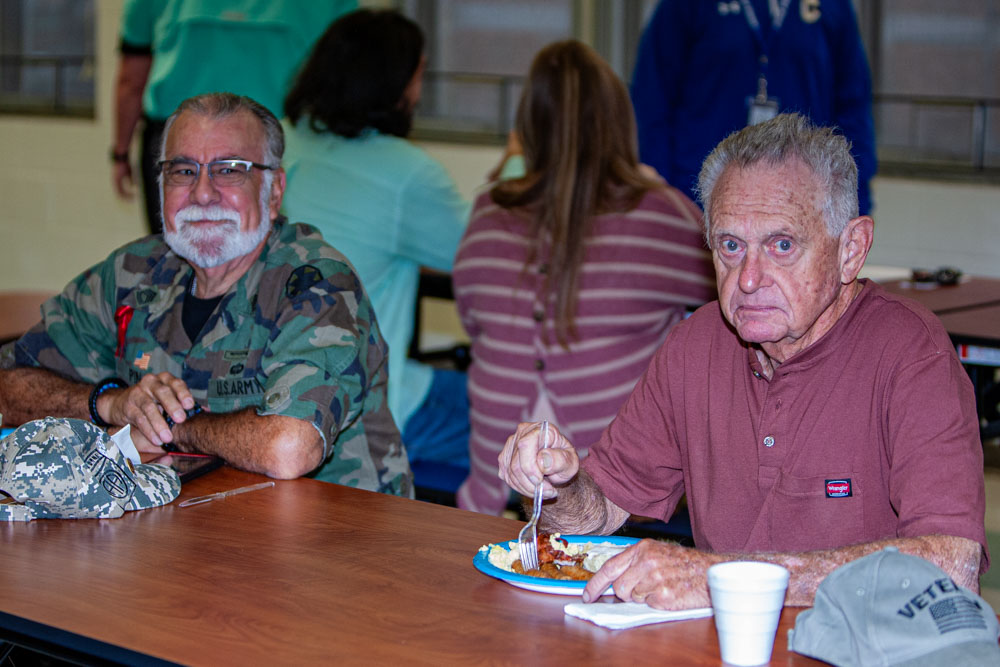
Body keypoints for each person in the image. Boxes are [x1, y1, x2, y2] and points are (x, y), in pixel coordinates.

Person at [498, 113, 986, 609]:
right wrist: (557, 484)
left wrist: (721, 578)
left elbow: (951, 565)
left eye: (782, 245)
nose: (748, 279)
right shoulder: (696, 346)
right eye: (730, 246)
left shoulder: (911, 353)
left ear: (851, 250)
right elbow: (594, 517)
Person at [1, 93, 411, 496]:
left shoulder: (314, 283)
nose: (201, 193)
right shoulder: (133, 272)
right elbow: (9, 386)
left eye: (229, 170)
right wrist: (109, 404)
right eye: (183, 171)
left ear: (273, 191)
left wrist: (168, 426)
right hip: (187, 524)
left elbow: (289, 448)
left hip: (337, 530)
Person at [455, 41, 716, 516]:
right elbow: (735, 295)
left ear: (528, 126)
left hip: (493, 482)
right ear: (619, 122)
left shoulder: (489, 210)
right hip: (610, 493)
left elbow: (472, 322)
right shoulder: (659, 214)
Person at [281, 9, 472, 471]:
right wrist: (516, 163)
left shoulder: (283, 142)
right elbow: (483, 253)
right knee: (531, 419)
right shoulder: (406, 173)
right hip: (367, 413)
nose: (419, 93)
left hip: (278, 389)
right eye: (419, 76)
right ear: (394, 83)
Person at [111, 0, 357, 233]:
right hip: (286, 142)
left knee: (180, 249)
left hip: (181, 144)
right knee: (278, 249)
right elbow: (348, 74)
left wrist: (121, 153)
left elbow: (132, 80)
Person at [631, 0, 876, 215]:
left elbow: (853, 108)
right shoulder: (685, 6)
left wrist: (855, 203)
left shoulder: (834, 6)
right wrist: (663, 198)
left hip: (804, 201)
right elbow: (652, 100)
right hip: (697, 198)